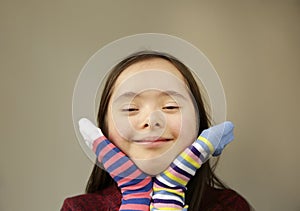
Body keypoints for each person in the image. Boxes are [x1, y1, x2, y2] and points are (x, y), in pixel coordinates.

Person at [61, 51, 251, 210]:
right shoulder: (78, 209)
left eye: (170, 107)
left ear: (198, 123)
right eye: (130, 109)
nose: (151, 122)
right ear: (103, 131)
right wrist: (134, 195)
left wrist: (170, 192)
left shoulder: (230, 207)